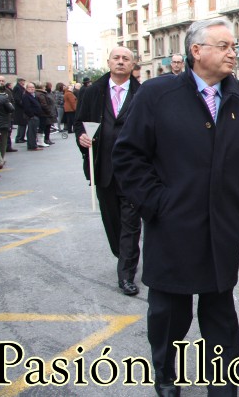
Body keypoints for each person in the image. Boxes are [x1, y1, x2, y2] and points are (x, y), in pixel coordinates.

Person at [113, 18, 239, 396]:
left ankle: (223, 384)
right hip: (172, 228)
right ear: (197, 51)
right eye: (224, 45)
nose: (234, 52)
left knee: (220, 313)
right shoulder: (157, 94)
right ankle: (166, 374)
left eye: (234, 46)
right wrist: (159, 204)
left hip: (222, 229)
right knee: (169, 313)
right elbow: (129, 157)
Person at [74, 47, 142, 296]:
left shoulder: (142, 93)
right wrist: (81, 137)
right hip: (103, 169)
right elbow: (79, 122)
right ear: (109, 62)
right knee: (112, 222)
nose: (121, 62)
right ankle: (122, 253)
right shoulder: (93, 92)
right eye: (117, 58)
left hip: (133, 172)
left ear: (133, 64)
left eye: (126, 59)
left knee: (131, 224)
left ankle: (126, 273)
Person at [21, 82, 42, 151]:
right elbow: (27, 107)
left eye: (33, 87)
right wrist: (32, 115)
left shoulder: (33, 95)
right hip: (32, 116)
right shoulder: (26, 96)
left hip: (35, 116)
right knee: (32, 132)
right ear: (26, 88)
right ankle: (32, 146)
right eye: (30, 87)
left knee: (32, 131)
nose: (32, 89)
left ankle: (32, 145)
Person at [12, 78, 27, 143]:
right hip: (20, 109)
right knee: (22, 124)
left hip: (21, 108)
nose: (24, 83)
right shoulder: (18, 88)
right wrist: (23, 104)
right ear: (20, 81)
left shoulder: (20, 88)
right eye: (23, 81)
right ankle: (19, 138)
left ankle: (21, 137)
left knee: (23, 124)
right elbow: (17, 99)